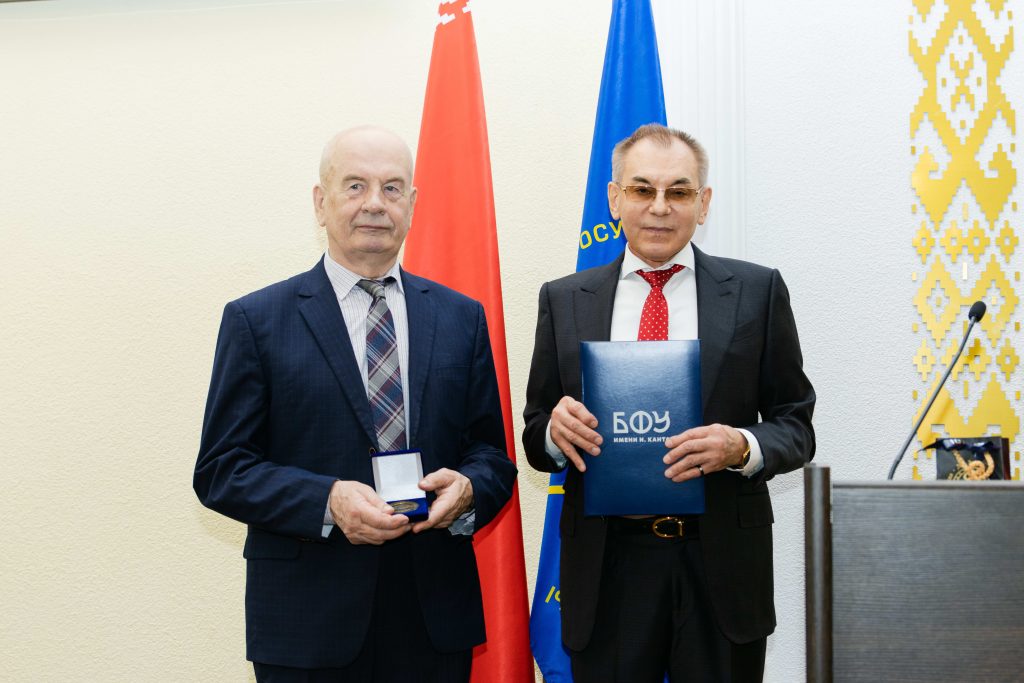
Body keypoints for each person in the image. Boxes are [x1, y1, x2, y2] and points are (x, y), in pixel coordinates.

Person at [194, 126, 516, 682]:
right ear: (321, 202)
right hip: (307, 623)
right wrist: (327, 500)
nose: (374, 204)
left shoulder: (461, 317)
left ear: (412, 205)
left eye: (392, 188)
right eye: (355, 186)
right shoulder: (256, 321)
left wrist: (468, 490)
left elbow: (490, 454)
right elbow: (222, 470)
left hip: (433, 617)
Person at [522, 123, 815, 682]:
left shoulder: (757, 292)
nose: (660, 207)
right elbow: (536, 430)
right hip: (608, 568)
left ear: (703, 204)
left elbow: (796, 424)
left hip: (721, 565)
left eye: (678, 191)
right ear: (615, 199)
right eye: (642, 189)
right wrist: (554, 435)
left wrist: (741, 446)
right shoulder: (564, 299)